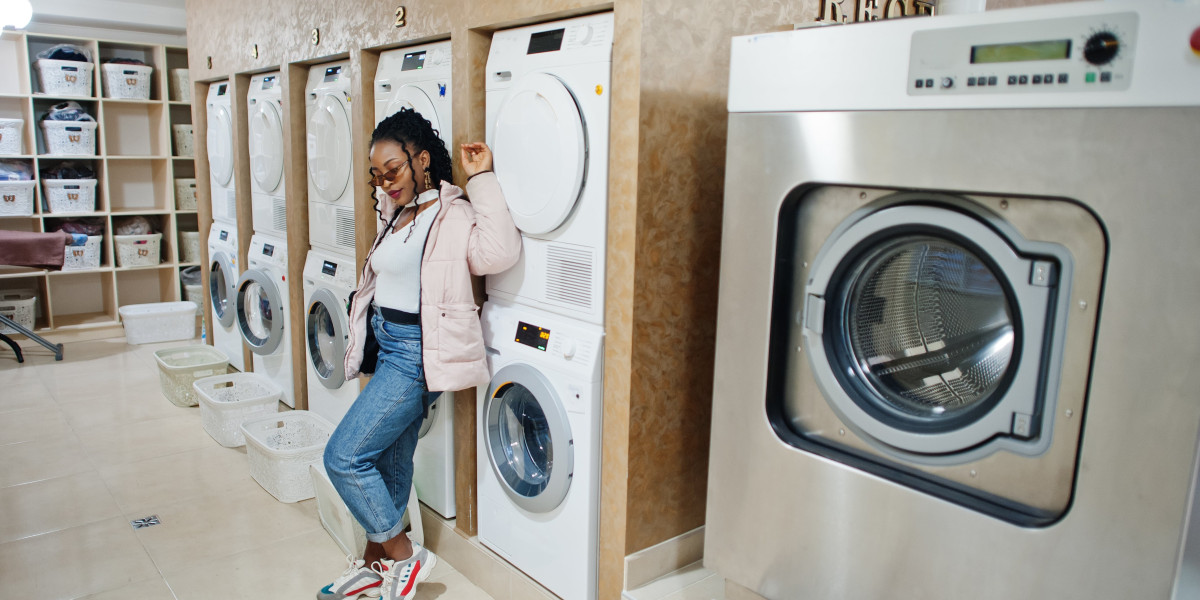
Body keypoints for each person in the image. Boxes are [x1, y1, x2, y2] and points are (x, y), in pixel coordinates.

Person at [319, 107, 521, 600]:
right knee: (389, 463)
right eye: (377, 175)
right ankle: (375, 566)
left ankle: (405, 557)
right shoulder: (396, 214)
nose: (385, 183)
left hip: (416, 356)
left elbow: (498, 254)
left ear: (421, 160)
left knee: (344, 456)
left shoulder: (452, 214)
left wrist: (484, 179)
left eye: (394, 171)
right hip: (388, 345)